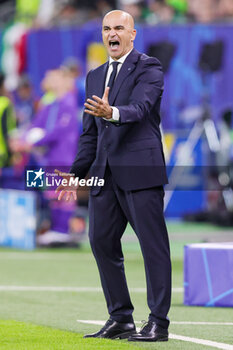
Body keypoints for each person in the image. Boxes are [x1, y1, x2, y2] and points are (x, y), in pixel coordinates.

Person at [56, 9, 171, 342]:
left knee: (153, 246)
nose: (112, 33)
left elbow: (141, 108)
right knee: (101, 242)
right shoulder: (94, 76)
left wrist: (113, 112)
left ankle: (158, 323)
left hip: (140, 171)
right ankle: (120, 318)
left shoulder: (148, 67)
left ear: (132, 34)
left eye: (119, 27)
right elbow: (90, 133)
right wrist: (76, 173)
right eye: (106, 28)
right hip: (103, 174)